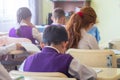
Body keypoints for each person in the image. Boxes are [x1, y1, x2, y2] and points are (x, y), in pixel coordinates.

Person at [19, 25, 97, 80]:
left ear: (42, 44)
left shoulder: (27, 61)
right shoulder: (67, 60)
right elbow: (91, 75)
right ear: (64, 44)